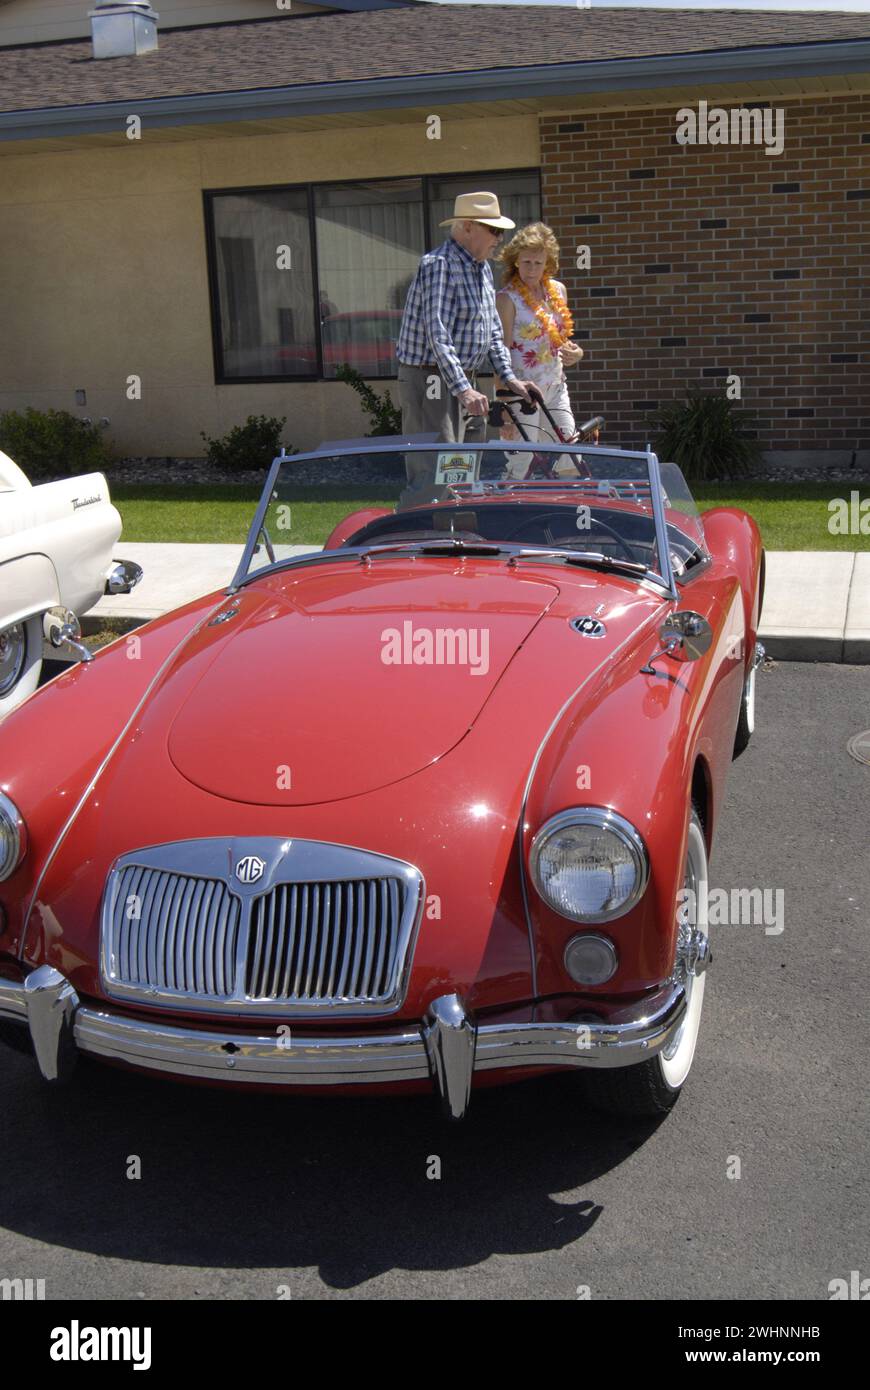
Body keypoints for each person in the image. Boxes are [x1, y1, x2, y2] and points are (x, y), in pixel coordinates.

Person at [395, 191, 539, 505]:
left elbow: (492, 333)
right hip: (431, 380)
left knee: (461, 474)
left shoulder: (482, 269)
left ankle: (450, 539)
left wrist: (510, 377)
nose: (500, 238)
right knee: (434, 476)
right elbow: (437, 333)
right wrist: (464, 390)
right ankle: (404, 542)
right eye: (494, 230)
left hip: (464, 380)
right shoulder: (439, 265)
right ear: (468, 227)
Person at [495, 222, 584, 478]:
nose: (532, 269)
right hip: (521, 393)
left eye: (538, 262)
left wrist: (576, 354)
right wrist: (504, 408)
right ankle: (509, 509)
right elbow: (499, 352)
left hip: (555, 385)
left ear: (548, 263)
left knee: (569, 455)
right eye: (526, 262)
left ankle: (564, 509)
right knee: (522, 462)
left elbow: (561, 340)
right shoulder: (507, 298)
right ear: (515, 262)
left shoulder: (558, 291)